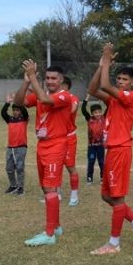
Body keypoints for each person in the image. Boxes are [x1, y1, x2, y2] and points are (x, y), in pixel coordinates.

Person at [87, 43, 133, 255]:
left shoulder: (130, 97)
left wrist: (106, 61)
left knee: (117, 198)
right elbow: (93, 89)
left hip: (120, 150)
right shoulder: (114, 99)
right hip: (112, 150)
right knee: (106, 196)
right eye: (119, 79)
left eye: (125, 80)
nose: (120, 82)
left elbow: (105, 84)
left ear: (132, 83)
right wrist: (100, 66)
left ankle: (114, 244)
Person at [13, 62, 71, 246]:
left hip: (56, 145)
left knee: (50, 188)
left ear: (61, 80)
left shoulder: (64, 96)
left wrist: (33, 79)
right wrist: (26, 81)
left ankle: (49, 234)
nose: (50, 81)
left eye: (54, 78)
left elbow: (46, 101)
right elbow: (18, 102)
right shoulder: (40, 94)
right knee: (46, 188)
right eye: (47, 78)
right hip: (42, 146)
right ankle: (56, 227)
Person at [1, 91, 28, 195]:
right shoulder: (10, 119)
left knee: (20, 168)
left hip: (21, 147)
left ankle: (20, 187)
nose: (15, 112)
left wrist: (19, 101)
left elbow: (25, 112)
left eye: (17, 110)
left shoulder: (24, 119)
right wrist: (7, 103)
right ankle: (13, 185)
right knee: (9, 168)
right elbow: (3, 113)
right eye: (14, 110)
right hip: (10, 147)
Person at [61, 76, 81, 206]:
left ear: (67, 86)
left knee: (70, 167)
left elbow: (73, 109)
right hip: (55, 137)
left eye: (60, 84)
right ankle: (56, 193)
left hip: (69, 137)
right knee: (55, 166)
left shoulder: (73, 98)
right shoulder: (54, 97)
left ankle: (74, 195)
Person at [81, 96, 106, 184]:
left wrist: (104, 98)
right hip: (91, 146)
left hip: (101, 146)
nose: (98, 114)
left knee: (101, 162)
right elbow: (83, 110)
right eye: (95, 112)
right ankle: (89, 177)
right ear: (92, 113)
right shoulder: (89, 119)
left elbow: (109, 107)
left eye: (99, 112)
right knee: (91, 162)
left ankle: (103, 177)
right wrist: (86, 98)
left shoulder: (103, 118)